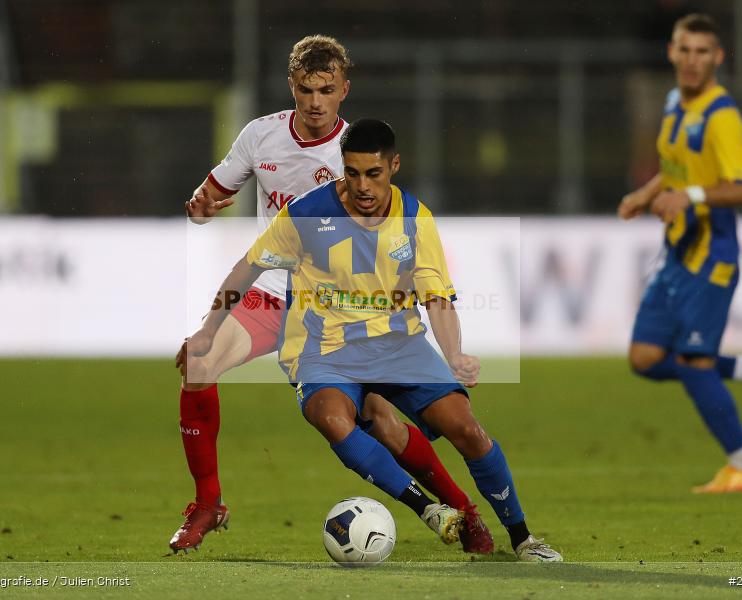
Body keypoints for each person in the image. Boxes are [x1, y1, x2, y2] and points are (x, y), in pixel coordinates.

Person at [171, 35, 493, 554]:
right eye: (305, 90)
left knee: (382, 423)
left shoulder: (357, 153)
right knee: (199, 364)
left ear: (344, 89)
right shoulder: (260, 136)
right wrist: (204, 204)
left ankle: (465, 511)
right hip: (273, 295)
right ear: (291, 88)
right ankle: (208, 503)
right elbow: (216, 190)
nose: (315, 102)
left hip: (338, 307)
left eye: (325, 90)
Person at [187, 118, 562, 562]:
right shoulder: (306, 215)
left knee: (467, 430)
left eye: (374, 173)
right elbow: (245, 269)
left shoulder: (414, 218)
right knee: (331, 416)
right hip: (324, 349)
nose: (362, 185)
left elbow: (436, 297)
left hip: (399, 344)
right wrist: (209, 331)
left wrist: (454, 354)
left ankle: (522, 538)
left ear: (394, 166)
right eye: (352, 172)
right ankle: (429, 511)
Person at [618, 14, 742, 493]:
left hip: (710, 258)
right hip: (677, 254)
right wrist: (648, 194)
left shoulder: (723, 118)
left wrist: (688, 197)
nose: (693, 61)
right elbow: (675, 169)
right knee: (645, 357)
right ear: (671, 53)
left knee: (694, 363)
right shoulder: (675, 103)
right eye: (685, 50)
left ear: (718, 57)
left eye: (703, 52)